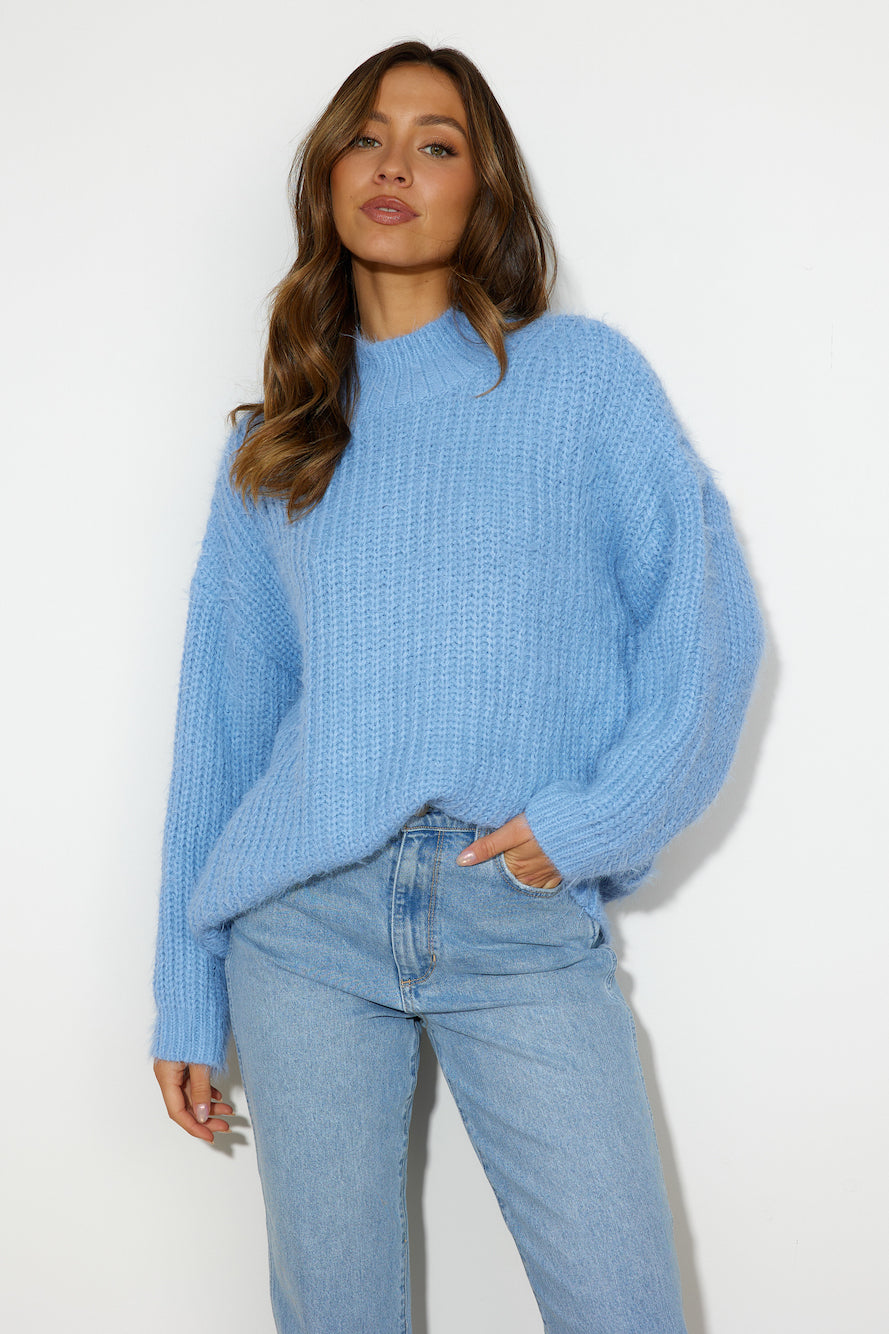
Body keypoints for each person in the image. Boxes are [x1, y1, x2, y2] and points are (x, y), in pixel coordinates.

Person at [151, 39, 765, 1334]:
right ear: (327, 175)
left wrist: (590, 827)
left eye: (436, 144)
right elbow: (222, 727)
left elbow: (708, 628)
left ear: (482, 194)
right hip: (304, 926)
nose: (394, 165)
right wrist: (185, 990)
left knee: (622, 1306)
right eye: (366, 137)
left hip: (513, 912)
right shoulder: (276, 444)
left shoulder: (581, 381)